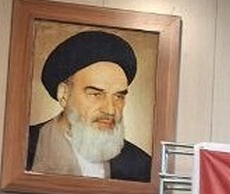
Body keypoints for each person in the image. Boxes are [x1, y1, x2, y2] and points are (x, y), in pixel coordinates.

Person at [27, 29, 151, 181]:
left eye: (118, 96)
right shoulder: (23, 148)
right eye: (96, 94)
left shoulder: (140, 165)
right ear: (64, 95)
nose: (110, 110)